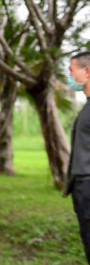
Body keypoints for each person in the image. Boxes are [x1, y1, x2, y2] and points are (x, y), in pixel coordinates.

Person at [63, 51, 90, 263]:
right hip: (81, 186)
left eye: (72, 71)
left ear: (87, 71)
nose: (70, 76)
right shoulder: (86, 108)